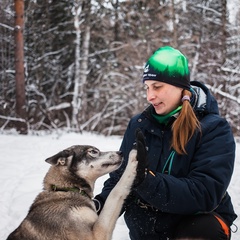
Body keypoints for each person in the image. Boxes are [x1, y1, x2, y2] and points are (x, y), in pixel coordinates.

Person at [95, 46, 237, 240]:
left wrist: (147, 181)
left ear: (180, 87)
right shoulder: (139, 125)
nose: (149, 96)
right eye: (147, 87)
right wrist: (97, 207)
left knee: (202, 231)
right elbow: (119, 179)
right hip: (147, 229)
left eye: (157, 87)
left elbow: (204, 192)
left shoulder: (213, 128)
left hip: (194, 225)